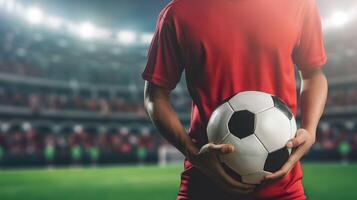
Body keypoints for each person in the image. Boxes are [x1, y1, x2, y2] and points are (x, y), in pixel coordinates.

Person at [142, 0, 328, 199]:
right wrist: (193, 153)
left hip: (283, 188)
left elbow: (313, 74)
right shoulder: (178, 12)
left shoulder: (300, 4)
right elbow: (155, 95)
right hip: (204, 185)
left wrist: (310, 129)